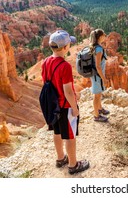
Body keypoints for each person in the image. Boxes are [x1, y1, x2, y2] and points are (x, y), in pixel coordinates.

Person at [41, 30, 89, 175]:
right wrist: (74, 108)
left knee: (56, 132)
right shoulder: (65, 66)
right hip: (64, 106)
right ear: (65, 47)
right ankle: (73, 165)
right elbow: (67, 91)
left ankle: (60, 158)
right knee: (69, 136)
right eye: (69, 44)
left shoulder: (45, 62)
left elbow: (46, 83)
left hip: (52, 105)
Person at [89, 29, 110, 122]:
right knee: (96, 95)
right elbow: (98, 65)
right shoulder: (98, 49)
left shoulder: (96, 47)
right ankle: (96, 116)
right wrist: (104, 78)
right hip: (98, 75)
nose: (105, 36)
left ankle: (100, 108)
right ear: (100, 37)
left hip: (96, 75)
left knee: (99, 93)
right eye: (104, 35)